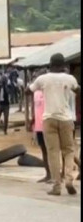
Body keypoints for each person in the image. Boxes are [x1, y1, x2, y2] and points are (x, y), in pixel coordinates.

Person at [28, 53, 80, 196]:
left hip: (49, 119)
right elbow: (77, 90)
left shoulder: (42, 79)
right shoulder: (70, 78)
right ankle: (69, 179)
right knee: (68, 150)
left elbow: (29, 90)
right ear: (63, 65)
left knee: (53, 152)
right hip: (65, 119)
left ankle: (57, 186)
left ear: (50, 64)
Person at [31, 86, 52, 183]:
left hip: (49, 124)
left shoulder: (49, 91)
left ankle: (58, 173)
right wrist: (33, 120)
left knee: (54, 150)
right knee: (44, 150)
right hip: (39, 126)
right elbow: (35, 107)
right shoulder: (35, 92)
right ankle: (48, 174)